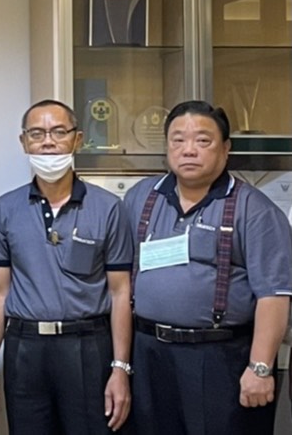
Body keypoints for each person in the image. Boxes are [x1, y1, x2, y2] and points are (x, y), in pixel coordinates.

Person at [124, 100, 291, 434]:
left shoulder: (255, 210)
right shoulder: (141, 197)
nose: (189, 150)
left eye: (203, 140)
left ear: (225, 149)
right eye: (178, 140)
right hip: (148, 352)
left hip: (220, 357)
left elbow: (274, 295)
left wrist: (260, 368)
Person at [0, 99, 134, 435]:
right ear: (24, 142)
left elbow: (120, 293)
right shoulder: (6, 208)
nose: (48, 142)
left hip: (88, 346)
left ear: (77, 139)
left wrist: (120, 368)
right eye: (37, 134)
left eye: (59, 132)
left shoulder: (108, 208)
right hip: (25, 347)